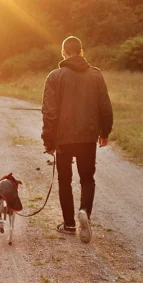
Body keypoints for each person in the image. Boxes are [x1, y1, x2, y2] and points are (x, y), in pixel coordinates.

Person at [41, 36, 113, 243]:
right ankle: (84, 213)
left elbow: (49, 112)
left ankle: (69, 225)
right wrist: (105, 133)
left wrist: (48, 140)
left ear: (63, 52)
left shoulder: (55, 76)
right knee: (87, 178)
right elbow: (105, 107)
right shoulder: (96, 76)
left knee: (65, 180)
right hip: (88, 137)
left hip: (63, 139)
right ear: (81, 52)